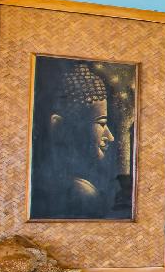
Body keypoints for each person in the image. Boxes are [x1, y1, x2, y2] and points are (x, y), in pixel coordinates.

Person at [31, 59, 129, 220]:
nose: (110, 137)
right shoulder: (81, 192)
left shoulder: (87, 186)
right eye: (101, 123)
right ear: (59, 126)